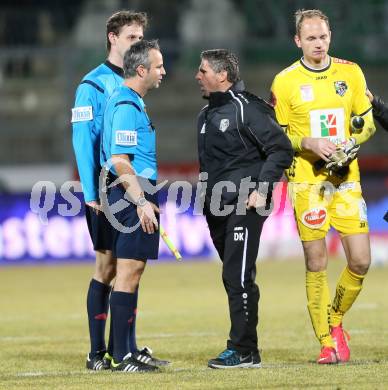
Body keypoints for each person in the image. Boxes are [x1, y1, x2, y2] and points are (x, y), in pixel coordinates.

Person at [271, 9, 376, 364]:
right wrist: (309, 143)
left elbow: (367, 123)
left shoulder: (351, 73)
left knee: (360, 261)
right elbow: (279, 134)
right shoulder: (284, 82)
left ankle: (335, 320)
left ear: (330, 36)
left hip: (346, 181)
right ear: (298, 41)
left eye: (324, 37)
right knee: (316, 263)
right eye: (311, 38)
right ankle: (327, 343)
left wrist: (352, 141)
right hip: (306, 182)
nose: (319, 43)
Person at [72, 11, 166, 370]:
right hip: (107, 190)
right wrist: (90, 194)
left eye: (141, 37)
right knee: (108, 266)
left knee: (129, 265)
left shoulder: (130, 83)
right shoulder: (92, 85)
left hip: (123, 187)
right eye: (131, 37)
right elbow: (84, 141)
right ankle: (98, 352)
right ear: (112, 38)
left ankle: (125, 346)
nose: (137, 44)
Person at [196, 49, 293, 369]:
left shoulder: (247, 109)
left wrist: (261, 189)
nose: (198, 75)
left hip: (244, 203)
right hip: (217, 207)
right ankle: (247, 349)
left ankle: (241, 348)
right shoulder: (205, 115)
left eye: (203, 70)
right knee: (233, 276)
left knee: (237, 275)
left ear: (222, 75)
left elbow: (281, 150)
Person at [100, 39, 166, 372]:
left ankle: (124, 349)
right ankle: (122, 355)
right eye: (158, 66)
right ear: (141, 70)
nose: (163, 72)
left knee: (132, 272)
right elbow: (120, 159)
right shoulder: (127, 105)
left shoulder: (130, 101)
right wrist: (140, 200)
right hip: (130, 193)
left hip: (132, 192)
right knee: (128, 272)